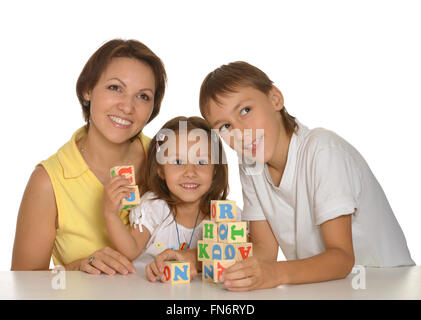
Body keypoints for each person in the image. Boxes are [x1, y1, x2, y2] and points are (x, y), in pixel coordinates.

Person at [197, 61, 415, 291]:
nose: (240, 132)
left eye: (245, 110)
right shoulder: (250, 164)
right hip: (329, 288)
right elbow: (265, 251)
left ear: (275, 99)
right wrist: (200, 259)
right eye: (225, 127)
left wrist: (275, 273)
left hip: (387, 285)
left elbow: (341, 258)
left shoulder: (322, 150)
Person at [11, 39, 167, 275]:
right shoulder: (48, 182)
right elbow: (21, 284)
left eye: (143, 96)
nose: (127, 106)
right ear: (87, 90)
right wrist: (77, 268)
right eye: (115, 88)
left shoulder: (168, 159)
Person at [102, 116, 230, 281]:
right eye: (178, 161)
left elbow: (245, 251)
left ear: (215, 170)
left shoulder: (225, 214)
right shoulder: (154, 207)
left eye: (201, 161)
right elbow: (130, 250)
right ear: (160, 170)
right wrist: (110, 214)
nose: (190, 172)